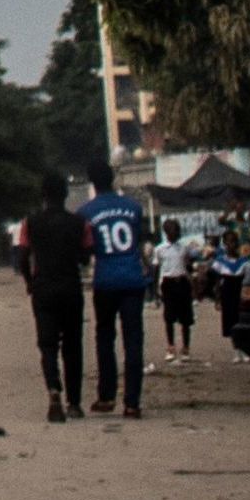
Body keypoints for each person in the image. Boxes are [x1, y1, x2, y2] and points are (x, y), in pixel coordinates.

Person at [81, 168, 151, 418]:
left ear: (93, 183)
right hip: (133, 278)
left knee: (105, 338)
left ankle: (107, 396)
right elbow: (141, 240)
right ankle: (132, 402)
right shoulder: (133, 207)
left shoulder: (86, 212)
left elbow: (86, 249)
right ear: (113, 180)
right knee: (133, 340)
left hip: (106, 280)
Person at [18, 183, 87, 421]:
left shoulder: (31, 222)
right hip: (70, 287)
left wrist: (29, 280)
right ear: (65, 196)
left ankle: (54, 391)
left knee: (47, 345)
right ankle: (75, 403)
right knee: (72, 345)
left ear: (43, 196)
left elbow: (22, 256)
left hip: (44, 288)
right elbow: (86, 254)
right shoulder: (78, 222)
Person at [156, 221, 198, 365]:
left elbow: (188, 266)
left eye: (177, 231)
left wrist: (193, 284)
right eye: (174, 231)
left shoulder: (184, 248)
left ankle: (186, 348)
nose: (176, 234)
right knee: (169, 316)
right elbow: (157, 269)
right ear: (167, 232)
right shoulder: (160, 249)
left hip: (182, 282)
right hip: (168, 282)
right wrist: (157, 288)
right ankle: (171, 347)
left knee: (186, 317)